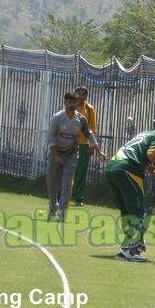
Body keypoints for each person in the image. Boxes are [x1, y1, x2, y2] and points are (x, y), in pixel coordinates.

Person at [104, 110, 155, 262]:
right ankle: (127, 249)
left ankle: (133, 243)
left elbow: (149, 166)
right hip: (128, 169)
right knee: (140, 212)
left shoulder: (146, 133)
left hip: (112, 169)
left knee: (127, 212)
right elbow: (152, 155)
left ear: (153, 123)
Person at [46, 91, 105, 221]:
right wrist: (57, 156)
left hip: (72, 155)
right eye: (70, 102)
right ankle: (52, 207)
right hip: (56, 154)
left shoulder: (80, 119)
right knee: (52, 185)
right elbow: (50, 139)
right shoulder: (57, 118)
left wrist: (99, 151)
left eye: (74, 102)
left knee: (67, 183)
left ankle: (62, 212)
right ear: (65, 102)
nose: (72, 104)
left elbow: (89, 134)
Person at [72, 86, 98, 206]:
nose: (80, 96)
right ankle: (61, 195)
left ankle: (78, 198)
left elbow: (93, 128)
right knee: (67, 169)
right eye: (79, 93)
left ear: (86, 96)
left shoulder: (89, 108)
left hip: (83, 144)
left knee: (81, 171)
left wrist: (92, 146)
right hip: (70, 143)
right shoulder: (71, 106)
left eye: (83, 94)